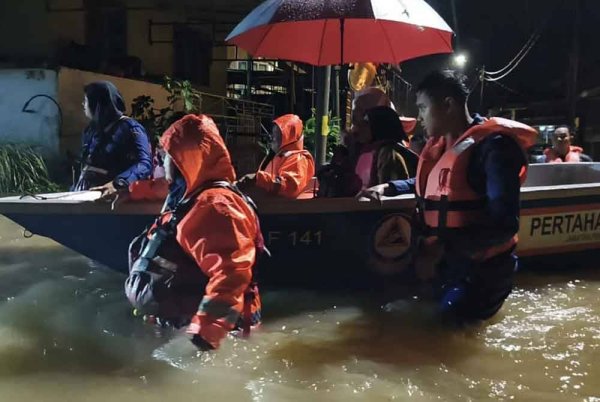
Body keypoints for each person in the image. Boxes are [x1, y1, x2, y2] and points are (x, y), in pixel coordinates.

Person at [361, 70, 538, 323]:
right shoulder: (442, 146)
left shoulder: (494, 149)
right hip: (445, 267)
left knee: (442, 333)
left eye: (423, 107)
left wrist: (444, 250)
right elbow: (435, 185)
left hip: (481, 272)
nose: (420, 117)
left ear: (447, 105)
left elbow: (505, 225)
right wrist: (389, 187)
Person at [125, 114, 264, 350]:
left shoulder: (215, 206)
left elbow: (232, 272)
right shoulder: (191, 195)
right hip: (182, 325)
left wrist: (206, 333)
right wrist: (130, 190)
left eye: (166, 154)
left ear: (183, 160)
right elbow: (161, 189)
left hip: (206, 337)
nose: (162, 159)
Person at [317, 87, 417, 197]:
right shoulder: (355, 148)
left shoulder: (387, 154)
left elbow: (391, 196)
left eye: (364, 119)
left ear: (377, 123)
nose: (357, 124)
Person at [72, 81, 152, 196]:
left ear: (97, 105)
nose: (83, 105)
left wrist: (117, 184)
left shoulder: (129, 128)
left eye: (86, 101)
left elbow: (144, 164)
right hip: (85, 198)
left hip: (113, 201)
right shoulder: (90, 131)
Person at [237, 114, 315, 199]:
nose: (273, 138)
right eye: (273, 134)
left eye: (278, 135)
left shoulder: (298, 158)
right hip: (268, 206)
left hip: (281, 209)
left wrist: (258, 179)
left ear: (289, 137)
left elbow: (289, 187)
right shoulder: (277, 156)